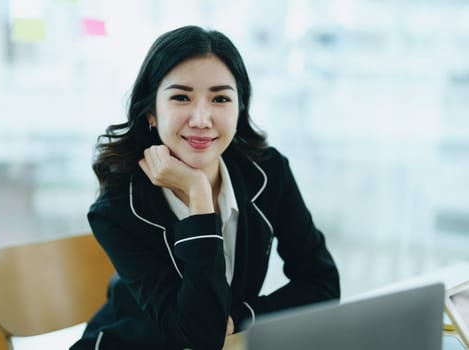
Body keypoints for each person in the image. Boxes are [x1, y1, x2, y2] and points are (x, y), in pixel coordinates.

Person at [70, 25, 340, 350]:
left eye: (220, 98)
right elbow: (199, 338)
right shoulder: (117, 208)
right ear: (151, 113)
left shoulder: (267, 172)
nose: (201, 118)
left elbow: (322, 285)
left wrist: (243, 315)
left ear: (240, 108)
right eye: (181, 97)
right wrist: (199, 197)